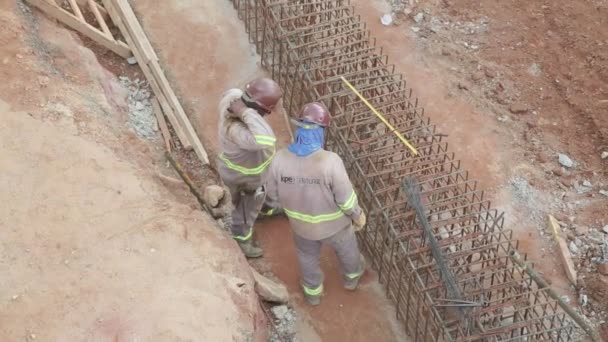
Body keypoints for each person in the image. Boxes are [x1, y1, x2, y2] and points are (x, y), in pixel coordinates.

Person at [266, 102, 367, 305]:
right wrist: (357, 215)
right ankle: (351, 279)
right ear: (321, 131)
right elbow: (346, 199)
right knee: (348, 251)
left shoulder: (279, 160)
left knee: (307, 257)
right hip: (335, 226)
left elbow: (272, 197)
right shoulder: (330, 161)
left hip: (301, 227)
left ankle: (312, 293)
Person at [217, 78, 283, 258]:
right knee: (247, 207)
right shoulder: (239, 131)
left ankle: (267, 209)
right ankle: (241, 238)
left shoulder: (234, 97)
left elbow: (229, 92)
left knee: (264, 191)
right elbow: (266, 139)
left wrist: (244, 110)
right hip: (244, 178)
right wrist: (245, 112)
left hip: (255, 171)